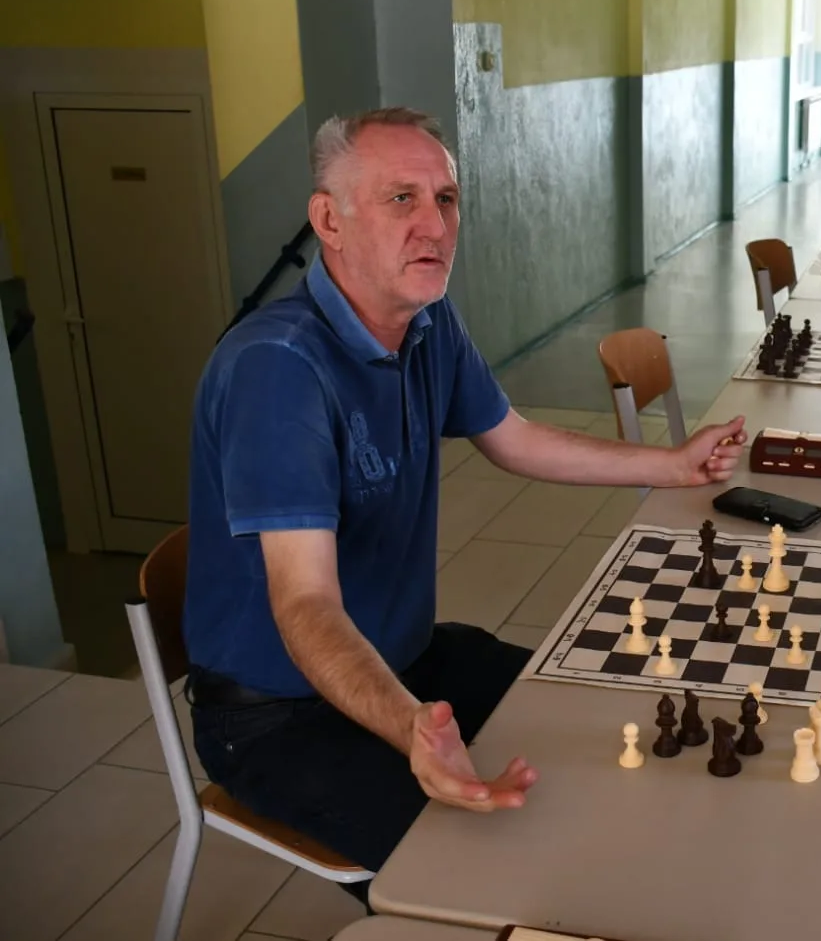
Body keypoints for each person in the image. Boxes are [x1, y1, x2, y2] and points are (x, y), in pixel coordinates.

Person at [182, 107, 747, 880]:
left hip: (407, 660)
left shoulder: (426, 319)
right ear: (329, 221)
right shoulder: (276, 368)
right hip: (280, 713)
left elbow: (511, 437)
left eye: (445, 199)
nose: (435, 226)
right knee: (476, 872)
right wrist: (410, 729)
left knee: (598, 710)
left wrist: (671, 466)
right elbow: (305, 604)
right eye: (401, 199)